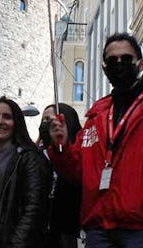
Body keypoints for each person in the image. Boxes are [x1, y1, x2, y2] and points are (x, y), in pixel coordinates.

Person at [47, 33, 143, 248]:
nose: (119, 64)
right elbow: (79, 169)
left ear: (140, 64)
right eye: (112, 60)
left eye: (125, 59)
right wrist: (61, 146)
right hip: (99, 229)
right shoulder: (96, 116)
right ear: (104, 68)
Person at [0, 97, 50, 248]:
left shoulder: (27, 158)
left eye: (7, 117)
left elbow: (33, 208)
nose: (0, 121)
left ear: (16, 122)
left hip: (6, 243)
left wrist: (17, 243)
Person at [39, 103, 83, 248]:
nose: (46, 125)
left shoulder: (79, 157)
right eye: (43, 121)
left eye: (50, 120)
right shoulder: (34, 156)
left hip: (68, 233)